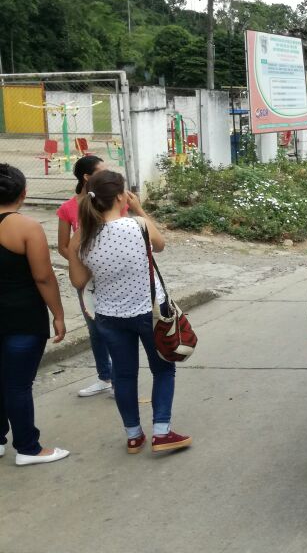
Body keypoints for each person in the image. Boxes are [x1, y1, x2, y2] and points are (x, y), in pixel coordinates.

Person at [66, 171, 192, 454]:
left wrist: (77, 251)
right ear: (121, 196)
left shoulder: (82, 237)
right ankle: (162, 431)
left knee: (123, 376)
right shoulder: (138, 225)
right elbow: (160, 246)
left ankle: (134, 436)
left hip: (109, 317)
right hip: (151, 313)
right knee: (163, 370)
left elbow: (77, 282)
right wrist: (140, 209)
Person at [0, 163, 70, 466]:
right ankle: (28, 448)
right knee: (17, 385)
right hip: (23, 318)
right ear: (24, 194)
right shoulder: (27, 227)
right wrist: (58, 313)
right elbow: (44, 277)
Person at [57, 155, 114, 398]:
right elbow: (62, 246)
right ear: (87, 177)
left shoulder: (110, 201)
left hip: (112, 276)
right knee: (95, 329)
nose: (107, 175)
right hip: (85, 281)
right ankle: (105, 377)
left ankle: (121, 378)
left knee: (116, 328)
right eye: (101, 172)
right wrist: (81, 266)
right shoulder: (68, 208)